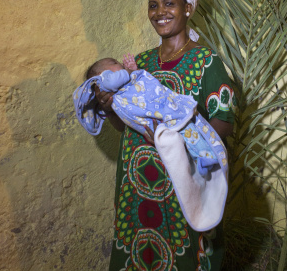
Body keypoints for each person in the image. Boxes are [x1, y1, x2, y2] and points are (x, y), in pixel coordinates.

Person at [87, 0, 236, 271]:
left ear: (188, 8)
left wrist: (179, 136)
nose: (160, 12)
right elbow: (126, 125)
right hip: (135, 194)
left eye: (169, 3)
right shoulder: (139, 65)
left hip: (179, 195)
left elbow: (224, 123)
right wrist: (110, 106)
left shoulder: (208, 63)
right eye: (154, 4)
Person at [73, 55, 230, 231]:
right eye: (114, 63)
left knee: (184, 236)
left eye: (117, 63)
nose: (119, 64)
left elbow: (225, 122)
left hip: (181, 174)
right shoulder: (140, 59)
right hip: (140, 182)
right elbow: (121, 126)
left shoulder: (205, 59)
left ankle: (202, 155)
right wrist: (108, 108)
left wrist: (172, 142)